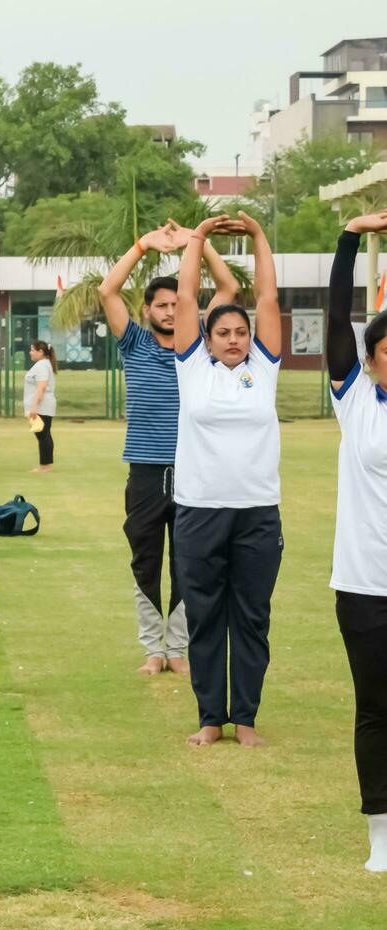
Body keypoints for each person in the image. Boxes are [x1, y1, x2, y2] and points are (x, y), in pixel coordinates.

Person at [99, 220, 239, 677]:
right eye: (160, 304)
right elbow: (108, 291)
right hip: (144, 470)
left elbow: (228, 286)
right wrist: (144, 245)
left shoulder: (197, 346)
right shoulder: (134, 343)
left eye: (175, 304)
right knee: (145, 558)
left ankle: (177, 649)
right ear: (146, 310)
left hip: (193, 469)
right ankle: (152, 650)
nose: (168, 310)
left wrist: (199, 243)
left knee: (189, 560)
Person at [172, 212, 282, 749]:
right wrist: (197, 239)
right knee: (205, 618)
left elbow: (266, 298)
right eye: (225, 333)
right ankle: (211, 717)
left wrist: (259, 237)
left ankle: (247, 718)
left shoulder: (264, 368)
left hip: (258, 513)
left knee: (252, 619)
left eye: (241, 332)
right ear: (208, 339)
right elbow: (188, 297)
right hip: (198, 511)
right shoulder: (191, 366)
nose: (235, 339)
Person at [324, 208, 387, 871]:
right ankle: (381, 834)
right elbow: (339, 314)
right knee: (376, 709)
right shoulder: (356, 400)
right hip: (366, 585)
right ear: (370, 361)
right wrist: (350, 238)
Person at [23, 341, 57, 472]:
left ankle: (45, 466)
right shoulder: (42, 365)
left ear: (41, 352)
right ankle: (46, 464)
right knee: (44, 435)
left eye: (33, 350)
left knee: (43, 435)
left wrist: (34, 407)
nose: (30, 352)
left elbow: (41, 387)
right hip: (41, 406)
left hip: (42, 407)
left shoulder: (42, 366)